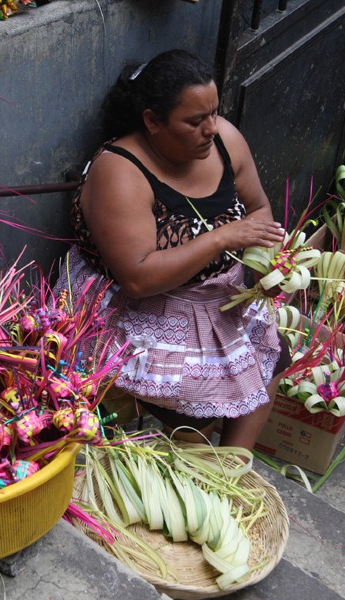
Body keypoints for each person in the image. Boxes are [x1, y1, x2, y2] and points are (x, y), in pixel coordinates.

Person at [55, 49, 291, 451]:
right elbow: (138, 278)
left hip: (220, 299)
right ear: (152, 121)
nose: (212, 128)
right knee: (192, 401)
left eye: (215, 113)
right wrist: (221, 237)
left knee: (274, 357)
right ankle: (190, 466)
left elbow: (259, 211)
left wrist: (265, 264)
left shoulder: (225, 142)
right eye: (195, 121)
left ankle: (233, 470)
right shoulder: (121, 171)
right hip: (143, 310)